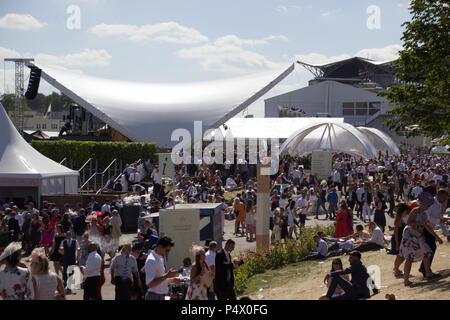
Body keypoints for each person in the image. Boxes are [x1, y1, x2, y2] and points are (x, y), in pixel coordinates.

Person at [400, 192, 443, 286]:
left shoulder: (424, 213)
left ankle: (428, 273)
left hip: (418, 235)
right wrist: (421, 224)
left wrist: (437, 237)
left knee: (427, 253)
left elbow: (427, 226)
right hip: (410, 235)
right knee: (410, 258)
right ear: (422, 204)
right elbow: (409, 223)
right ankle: (406, 280)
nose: (428, 207)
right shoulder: (415, 211)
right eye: (427, 205)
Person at [419, 189, 449, 277]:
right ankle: (425, 270)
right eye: (444, 197)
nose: (445, 200)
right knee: (430, 248)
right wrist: (440, 220)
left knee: (431, 248)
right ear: (439, 195)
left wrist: (447, 234)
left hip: (430, 228)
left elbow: (441, 219)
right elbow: (427, 218)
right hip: (425, 228)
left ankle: (425, 269)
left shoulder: (439, 204)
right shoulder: (431, 202)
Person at [390, 203, 410, 277]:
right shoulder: (398, 220)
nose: (407, 213)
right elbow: (396, 233)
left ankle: (396, 268)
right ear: (402, 211)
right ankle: (396, 269)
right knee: (400, 256)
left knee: (402, 256)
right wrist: (397, 245)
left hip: (402, 239)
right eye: (406, 212)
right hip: (397, 239)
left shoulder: (404, 218)